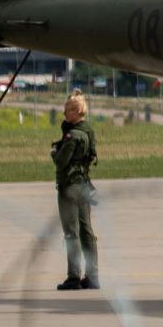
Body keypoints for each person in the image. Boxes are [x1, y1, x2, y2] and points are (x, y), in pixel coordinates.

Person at [52, 95, 100, 290]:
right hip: (84, 185)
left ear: (76, 111)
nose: (64, 113)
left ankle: (73, 276)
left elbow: (61, 161)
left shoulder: (72, 136)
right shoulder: (88, 132)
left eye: (68, 110)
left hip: (69, 186)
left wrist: (55, 150)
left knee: (71, 233)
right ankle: (92, 275)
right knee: (87, 231)